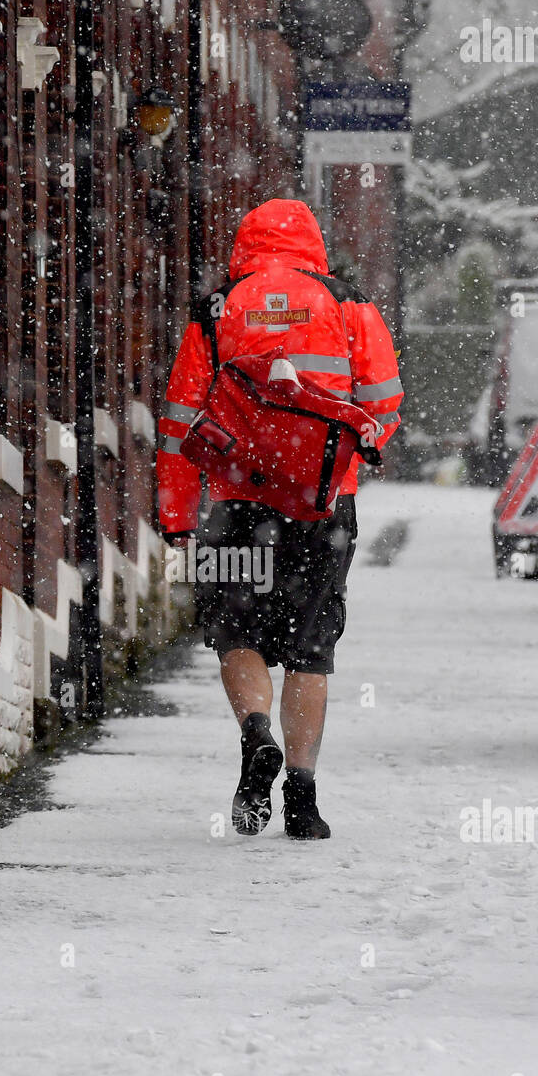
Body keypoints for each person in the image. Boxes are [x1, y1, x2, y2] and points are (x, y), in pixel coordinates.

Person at [157, 198, 403, 839]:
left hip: (237, 504)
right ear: (313, 245)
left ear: (246, 245)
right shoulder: (347, 303)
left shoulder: (216, 310)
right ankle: (302, 797)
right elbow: (381, 400)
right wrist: (363, 445)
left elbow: (181, 422)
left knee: (234, 633)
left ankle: (255, 732)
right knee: (311, 648)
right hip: (324, 506)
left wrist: (178, 514)